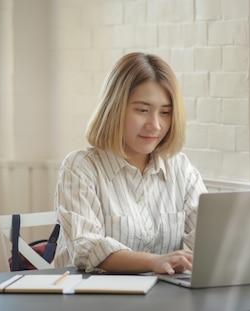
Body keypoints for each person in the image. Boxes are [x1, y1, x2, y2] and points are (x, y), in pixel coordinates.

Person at [53, 52, 207, 275]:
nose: (155, 125)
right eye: (142, 110)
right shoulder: (79, 168)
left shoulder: (181, 169)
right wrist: (154, 262)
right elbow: (85, 246)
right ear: (114, 108)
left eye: (165, 112)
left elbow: (208, 237)